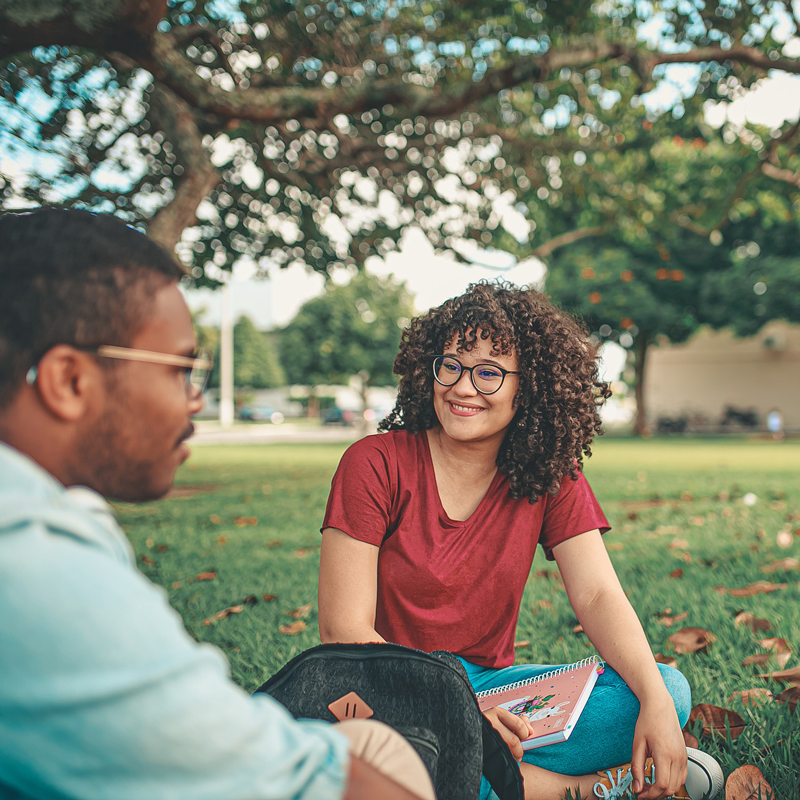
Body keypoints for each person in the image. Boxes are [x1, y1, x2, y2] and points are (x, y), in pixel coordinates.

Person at [0, 208, 434, 800]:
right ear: (70, 381)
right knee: (384, 756)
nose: (196, 401)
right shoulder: (33, 561)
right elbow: (316, 784)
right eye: (180, 369)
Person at [317, 283, 724, 800]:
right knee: (394, 756)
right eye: (452, 365)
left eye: (489, 372)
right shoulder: (373, 463)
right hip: (385, 691)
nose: (463, 388)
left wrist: (656, 705)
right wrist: (459, 716)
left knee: (665, 688)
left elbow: (597, 594)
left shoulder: (549, 474)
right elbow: (343, 630)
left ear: (527, 387)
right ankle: (583, 789)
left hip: (491, 691)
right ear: (430, 370)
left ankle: (474, 775)